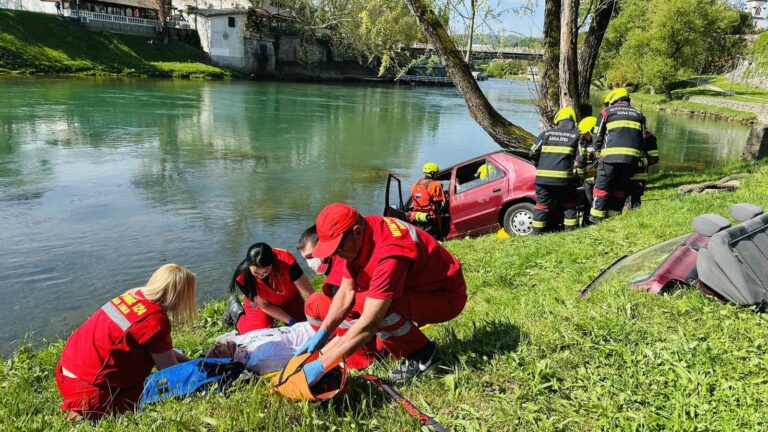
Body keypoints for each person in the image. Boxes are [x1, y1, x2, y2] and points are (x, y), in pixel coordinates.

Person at [295, 203, 467, 384]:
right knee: (361, 300)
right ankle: (369, 354)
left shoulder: (388, 253)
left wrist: (322, 365)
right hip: (418, 290)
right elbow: (347, 291)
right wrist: (323, 332)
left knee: (372, 305)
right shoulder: (362, 231)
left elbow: (370, 322)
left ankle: (423, 356)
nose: (335, 255)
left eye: (338, 249)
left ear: (356, 232)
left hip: (443, 297)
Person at [55, 264, 197, 420]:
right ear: (180, 296)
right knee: (151, 391)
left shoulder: (130, 296)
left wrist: (191, 361)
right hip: (90, 393)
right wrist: (199, 371)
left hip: (66, 374)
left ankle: (81, 409)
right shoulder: (155, 321)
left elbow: (159, 350)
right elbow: (170, 370)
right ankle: (87, 412)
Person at [227, 242, 314, 334]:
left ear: (272, 262)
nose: (261, 276)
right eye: (256, 273)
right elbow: (264, 305)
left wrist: (316, 315)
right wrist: (291, 321)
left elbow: (308, 294)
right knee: (259, 333)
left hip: (290, 297)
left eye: (265, 271)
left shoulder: (287, 262)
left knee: (304, 322)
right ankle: (236, 312)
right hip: (263, 303)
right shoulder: (242, 276)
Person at [590, 87, 647, 223]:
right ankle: (613, 219)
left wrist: (598, 155)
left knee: (601, 189)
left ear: (613, 100)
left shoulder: (606, 112)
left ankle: (595, 220)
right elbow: (643, 137)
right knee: (620, 189)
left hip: (609, 158)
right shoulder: (639, 114)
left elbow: (597, 136)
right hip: (631, 160)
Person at [529, 107, 582, 235]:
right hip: (564, 180)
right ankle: (571, 233)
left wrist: (539, 164)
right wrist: (578, 172)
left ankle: (535, 235)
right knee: (569, 205)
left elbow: (532, 153)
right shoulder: (576, 135)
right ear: (573, 121)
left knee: (541, 206)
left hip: (543, 180)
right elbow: (581, 157)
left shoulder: (546, 134)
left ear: (558, 120)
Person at [407, 162, 446, 239]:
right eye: (436, 173)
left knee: (422, 236)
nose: (437, 175)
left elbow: (414, 199)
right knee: (433, 237)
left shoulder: (415, 185)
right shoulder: (435, 185)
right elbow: (438, 207)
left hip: (417, 216)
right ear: (432, 173)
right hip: (430, 217)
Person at [626, 130, 660, 209]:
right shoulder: (619, 132)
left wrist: (639, 163)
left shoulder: (648, 136)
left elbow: (654, 158)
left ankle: (634, 217)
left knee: (635, 202)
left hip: (638, 178)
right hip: (621, 175)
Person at [575, 116, 599, 209]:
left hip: (598, 175)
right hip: (586, 177)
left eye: (586, 133)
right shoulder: (582, 142)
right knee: (587, 200)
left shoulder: (601, 143)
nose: (583, 135)